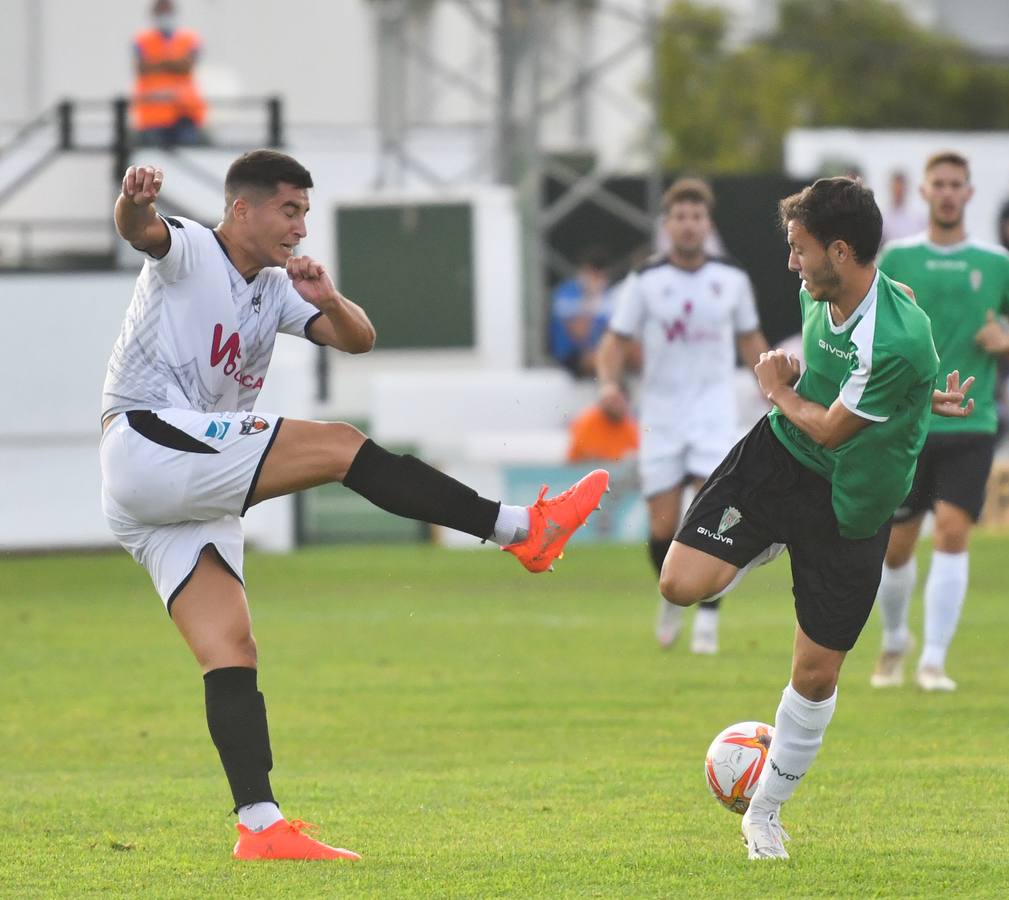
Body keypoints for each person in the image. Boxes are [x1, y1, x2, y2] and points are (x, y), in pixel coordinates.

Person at [101, 152, 608, 861]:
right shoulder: (191, 249)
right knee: (341, 444)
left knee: (231, 649)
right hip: (149, 443)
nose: (301, 227)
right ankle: (522, 528)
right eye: (290, 210)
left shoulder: (276, 288)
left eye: (306, 212)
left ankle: (260, 826)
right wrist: (133, 198)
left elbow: (358, 341)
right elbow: (139, 230)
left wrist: (329, 298)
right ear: (241, 208)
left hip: (171, 487)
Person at [657, 176, 972, 859]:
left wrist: (773, 387)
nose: (791, 264)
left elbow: (833, 430)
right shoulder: (820, 289)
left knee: (815, 675)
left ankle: (763, 814)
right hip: (777, 460)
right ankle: (769, 539)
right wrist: (915, 397)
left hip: (852, 499)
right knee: (679, 585)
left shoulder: (894, 339)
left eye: (799, 249)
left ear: (838, 249)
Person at [870, 151, 1009, 692]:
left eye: (955, 184)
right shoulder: (896, 259)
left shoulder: (996, 263)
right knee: (896, 545)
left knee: (952, 531)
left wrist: (1007, 341)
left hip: (972, 418)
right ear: (923, 192)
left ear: (969, 194)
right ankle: (896, 637)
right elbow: (869, 328)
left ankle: (934, 660)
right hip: (907, 423)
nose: (946, 192)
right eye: (937, 184)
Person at [594, 177, 769, 656]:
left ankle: (709, 620)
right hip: (663, 415)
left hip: (714, 412)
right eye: (680, 217)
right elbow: (614, 344)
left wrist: (774, 389)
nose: (688, 226)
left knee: (711, 517)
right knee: (662, 525)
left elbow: (751, 341)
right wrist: (609, 384)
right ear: (667, 225)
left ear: (707, 225)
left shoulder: (731, 278)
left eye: (696, 217)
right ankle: (673, 597)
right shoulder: (646, 280)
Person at [132, 0, 206, 147]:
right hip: (152, 116)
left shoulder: (190, 38)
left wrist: (157, 61)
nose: (164, 16)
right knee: (153, 163)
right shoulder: (142, 40)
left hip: (185, 113)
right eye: (161, 12)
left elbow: (186, 66)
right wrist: (173, 62)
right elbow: (142, 67)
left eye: (167, 11)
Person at [549, 247, 613, 377]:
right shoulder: (567, 292)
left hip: (598, 352)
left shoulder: (609, 295)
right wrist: (591, 296)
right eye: (592, 272)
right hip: (571, 354)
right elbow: (580, 333)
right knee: (607, 362)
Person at [566, 402, 639, 463]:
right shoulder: (588, 421)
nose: (615, 406)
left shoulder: (629, 426)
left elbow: (635, 451)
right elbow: (578, 453)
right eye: (610, 400)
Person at [880, 168, 923, 244]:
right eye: (896, 187)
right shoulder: (881, 215)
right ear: (891, 188)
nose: (899, 191)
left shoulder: (917, 218)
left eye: (901, 188)